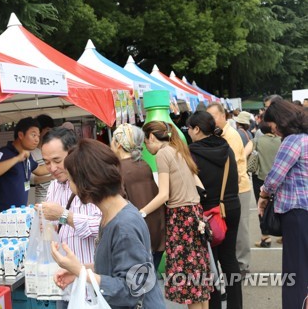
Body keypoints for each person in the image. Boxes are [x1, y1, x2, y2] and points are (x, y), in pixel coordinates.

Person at [50, 139, 166, 308]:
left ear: (85, 183)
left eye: (71, 180)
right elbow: (114, 264)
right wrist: (80, 270)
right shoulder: (113, 214)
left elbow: (131, 290)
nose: (70, 186)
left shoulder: (124, 226)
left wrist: (81, 272)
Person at [141, 121, 213, 308]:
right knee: (198, 280)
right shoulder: (178, 149)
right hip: (195, 215)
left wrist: (141, 212)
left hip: (181, 218)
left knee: (189, 282)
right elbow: (200, 186)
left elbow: (164, 194)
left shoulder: (163, 154)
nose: (146, 148)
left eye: (145, 143)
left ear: (151, 137)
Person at [187, 111, 243, 309]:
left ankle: (215, 305)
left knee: (211, 263)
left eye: (189, 128)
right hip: (231, 207)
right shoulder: (226, 147)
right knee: (230, 259)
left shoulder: (191, 153)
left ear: (197, 129)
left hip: (208, 212)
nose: (188, 132)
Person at [40, 127, 101, 308]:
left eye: (57, 160)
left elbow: (103, 226)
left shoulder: (93, 183)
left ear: (73, 153)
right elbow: (56, 227)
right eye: (46, 162)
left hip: (91, 283)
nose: (52, 168)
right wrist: (48, 225)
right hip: (65, 282)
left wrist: (64, 216)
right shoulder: (53, 187)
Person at [257, 100, 308, 309]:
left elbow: (274, 177)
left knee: (295, 271)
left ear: (282, 121)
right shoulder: (305, 139)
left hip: (296, 212)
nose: (274, 130)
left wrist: (263, 195)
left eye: (274, 124)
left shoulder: (292, 141)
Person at [110, 123, 165, 269]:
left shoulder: (118, 170)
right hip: (157, 230)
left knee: (139, 285)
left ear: (119, 144)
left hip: (136, 234)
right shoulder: (143, 164)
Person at [207, 102, 252, 275]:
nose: (211, 120)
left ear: (223, 116)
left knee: (241, 228)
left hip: (239, 187)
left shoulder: (230, 135)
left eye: (214, 116)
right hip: (231, 189)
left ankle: (243, 265)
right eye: (208, 117)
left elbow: (229, 165)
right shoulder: (220, 134)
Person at [0, 117, 49, 240]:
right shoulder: (5, 152)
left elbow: (40, 170)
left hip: (19, 221)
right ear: (20, 135)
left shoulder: (27, 156)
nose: (37, 139)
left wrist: (59, 165)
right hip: (2, 222)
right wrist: (17, 159)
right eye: (33, 134)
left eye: (38, 135)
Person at [251, 120, 281, 247]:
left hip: (261, 178)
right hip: (279, 179)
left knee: (262, 207)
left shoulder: (256, 141)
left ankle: (265, 237)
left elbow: (245, 153)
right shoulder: (281, 140)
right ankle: (282, 233)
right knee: (279, 205)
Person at [30, 114, 55, 204]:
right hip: (43, 198)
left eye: (51, 129)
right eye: (47, 129)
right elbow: (32, 179)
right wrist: (51, 177)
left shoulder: (52, 149)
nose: (50, 132)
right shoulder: (31, 153)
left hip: (57, 196)